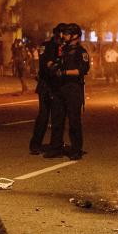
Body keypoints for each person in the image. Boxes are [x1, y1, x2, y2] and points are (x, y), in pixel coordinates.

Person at [46, 23, 90, 160]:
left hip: (73, 89)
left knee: (74, 121)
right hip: (59, 88)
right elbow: (53, 62)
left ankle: (76, 150)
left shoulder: (81, 52)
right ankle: (56, 148)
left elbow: (82, 70)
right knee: (57, 119)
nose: (63, 36)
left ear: (75, 36)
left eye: (66, 34)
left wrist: (65, 72)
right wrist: (52, 66)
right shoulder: (62, 49)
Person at [30, 23, 66, 154]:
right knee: (47, 116)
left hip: (53, 85)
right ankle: (41, 145)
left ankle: (50, 144)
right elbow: (47, 65)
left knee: (52, 116)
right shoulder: (50, 46)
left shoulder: (57, 46)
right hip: (49, 85)